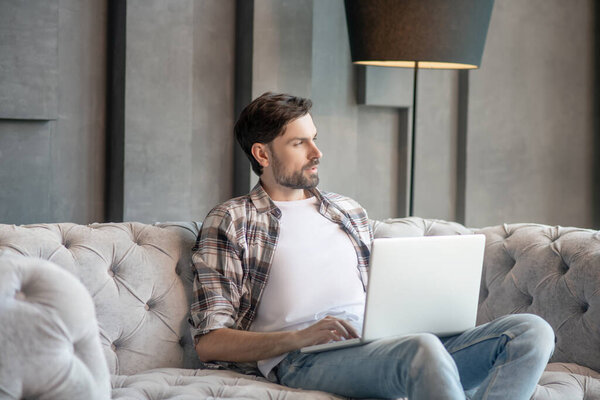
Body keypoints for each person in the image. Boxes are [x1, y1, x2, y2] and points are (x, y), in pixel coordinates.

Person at [189, 92, 555, 400]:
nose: (317, 152)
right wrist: (299, 337)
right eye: (299, 142)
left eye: (314, 137)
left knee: (530, 332)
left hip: (386, 341)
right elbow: (210, 341)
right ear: (263, 154)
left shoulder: (346, 210)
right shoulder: (233, 219)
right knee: (421, 350)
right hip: (303, 357)